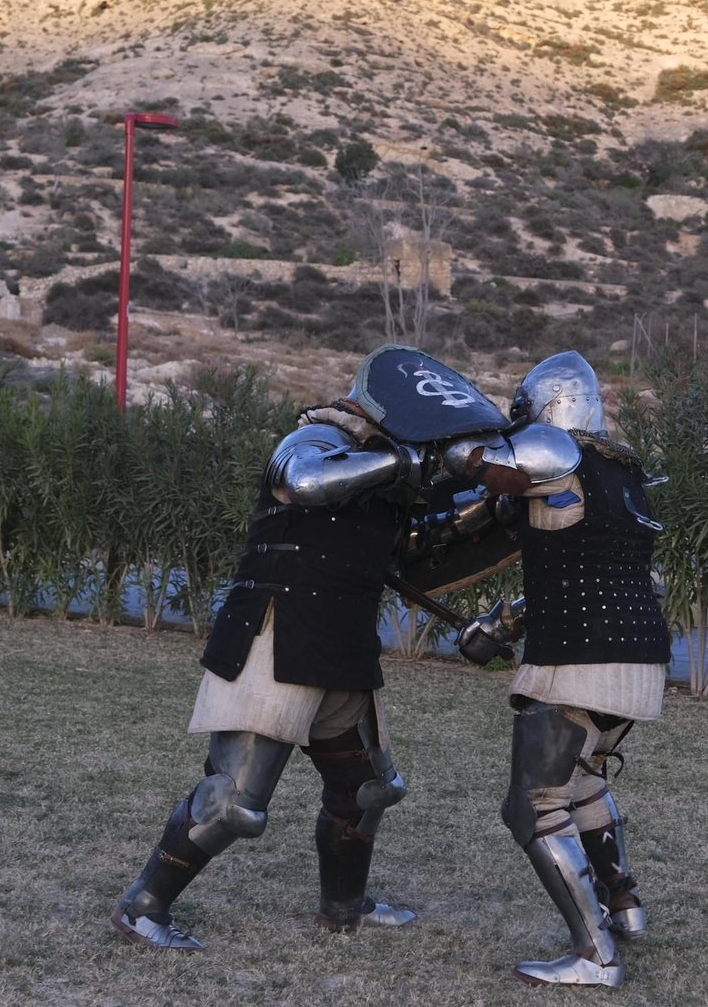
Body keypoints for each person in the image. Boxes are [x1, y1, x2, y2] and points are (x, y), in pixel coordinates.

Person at [111, 395, 424, 951]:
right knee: (232, 803)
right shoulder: (317, 441)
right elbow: (303, 481)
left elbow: (419, 553)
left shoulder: (388, 480)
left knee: (368, 790)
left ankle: (344, 907)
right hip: (276, 634)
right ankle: (142, 907)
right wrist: (398, 461)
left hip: (343, 644)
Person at [441, 351, 670, 988]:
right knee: (582, 783)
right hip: (637, 658)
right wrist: (505, 623)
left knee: (534, 806)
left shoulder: (554, 449)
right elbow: (587, 570)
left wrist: (442, 443)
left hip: (581, 658)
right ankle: (624, 907)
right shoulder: (622, 471)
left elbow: (471, 462)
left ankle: (595, 956)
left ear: (546, 409)